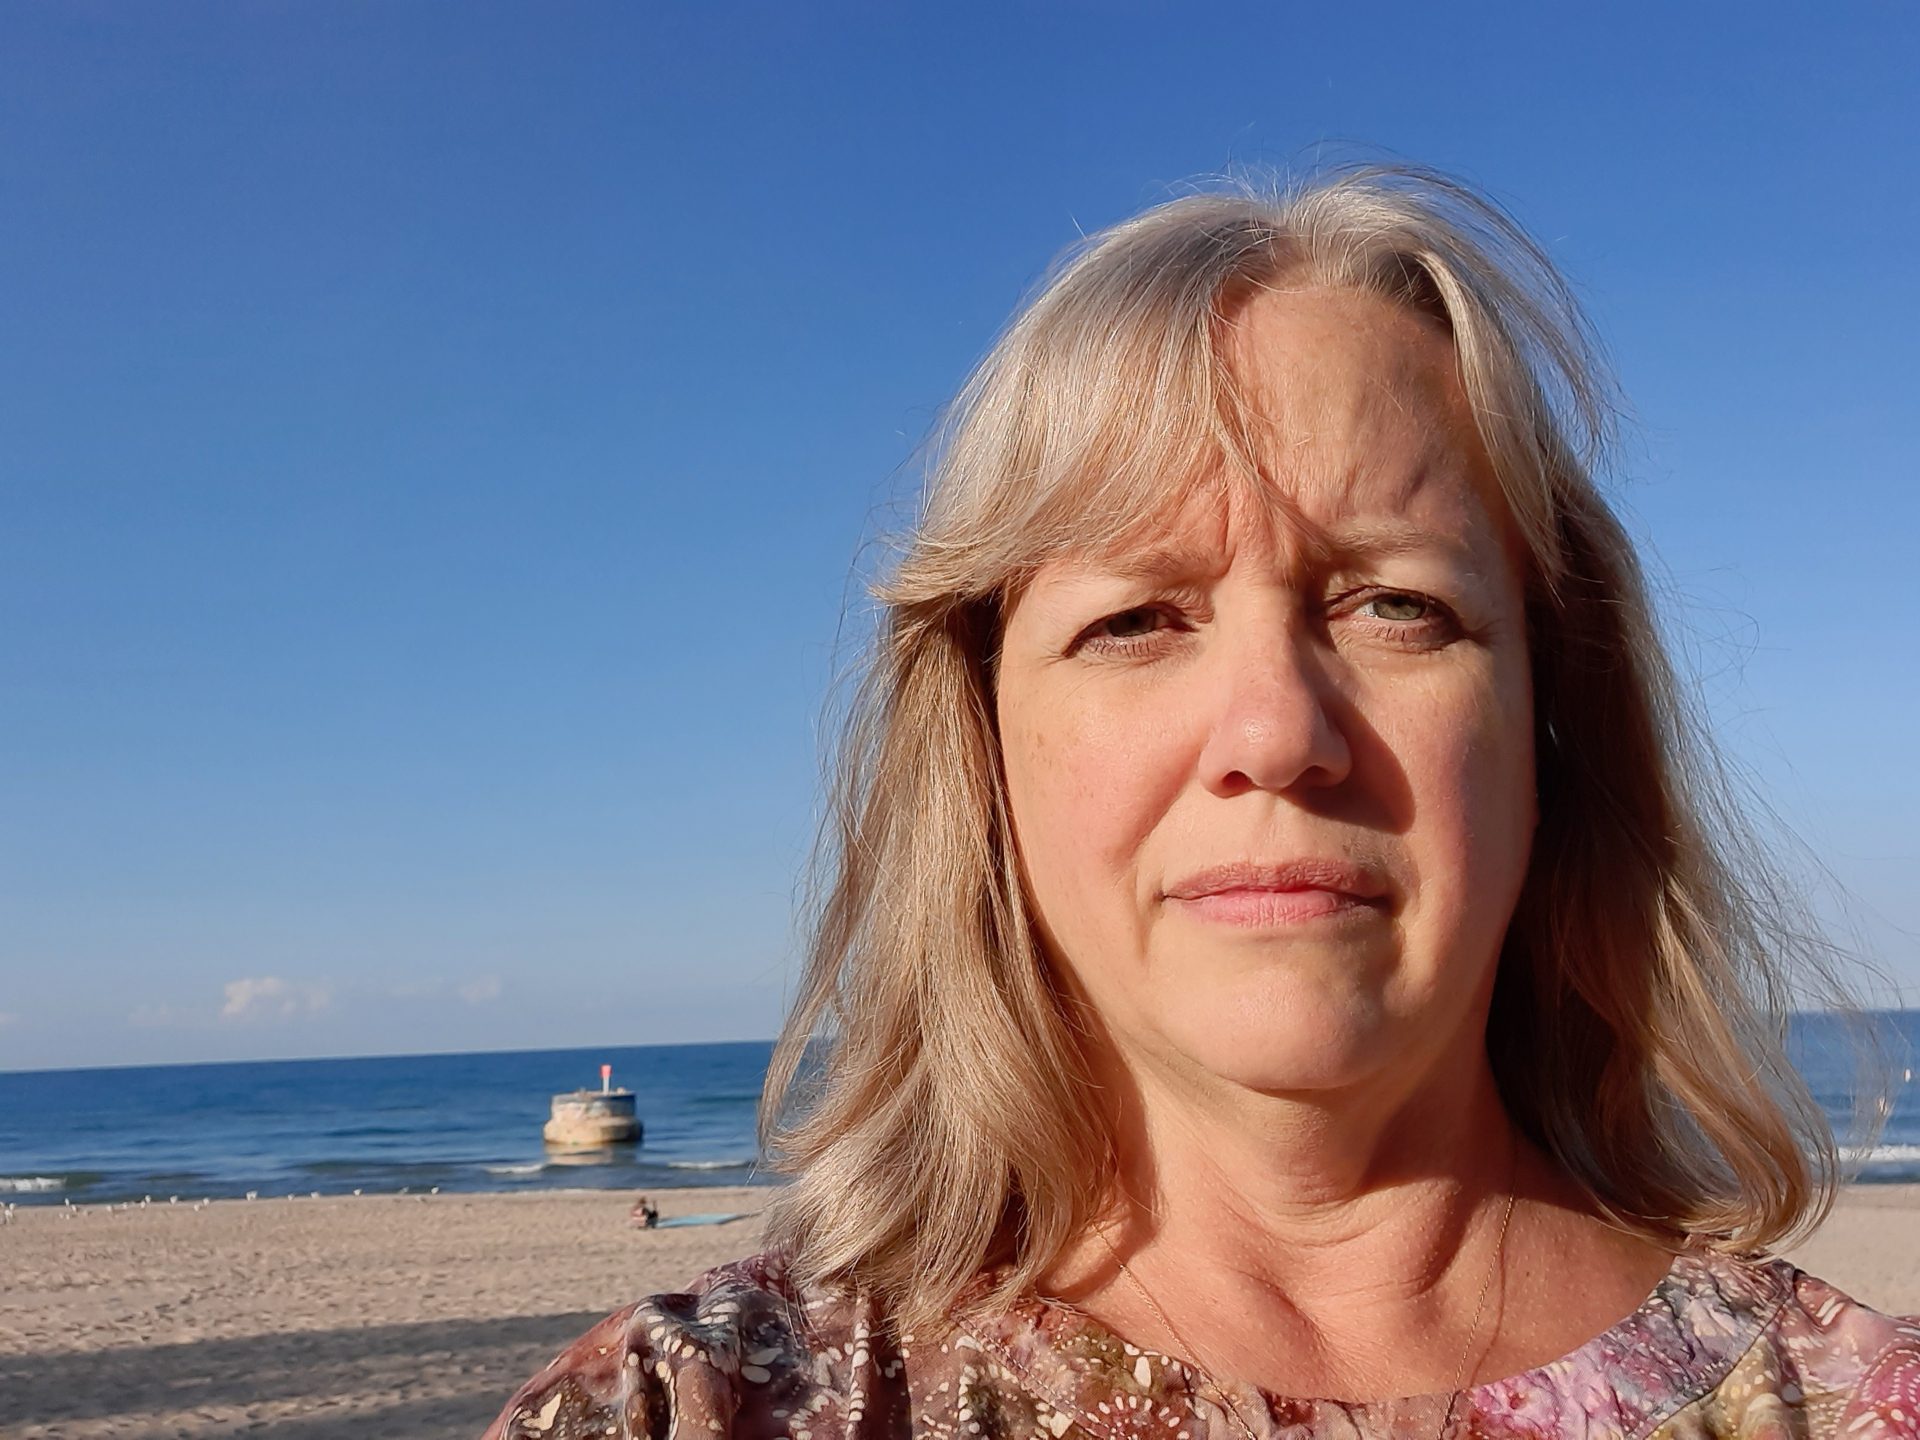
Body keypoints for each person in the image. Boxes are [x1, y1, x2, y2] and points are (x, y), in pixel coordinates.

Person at [485, 168, 1919, 1439]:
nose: (1276, 731)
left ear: (1554, 724)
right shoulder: (708, 1411)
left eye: (1397, 606)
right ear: (982, 750)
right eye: (1139, 620)